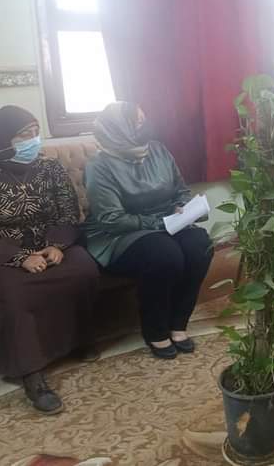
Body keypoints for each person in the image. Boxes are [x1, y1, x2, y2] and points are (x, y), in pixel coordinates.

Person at [83, 102, 213, 359]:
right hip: (120, 234)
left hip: (165, 222)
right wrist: (161, 223)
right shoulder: (99, 166)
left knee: (200, 244)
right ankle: (155, 330)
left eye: (144, 120)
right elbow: (112, 219)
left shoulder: (159, 150)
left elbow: (180, 190)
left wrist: (182, 207)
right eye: (138, 122)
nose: (145, 126)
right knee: (164, 254)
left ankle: (178, 323)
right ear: (120, 129)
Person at [0, 105, 100, 414]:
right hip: (7, 252)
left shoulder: (50, 167)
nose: (33, 140)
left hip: (51, 243)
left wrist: (57, 245)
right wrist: (20, 258)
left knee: (84, 270)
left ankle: (79, 341)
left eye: (35, 132)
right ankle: (32, 374)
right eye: (23, 135)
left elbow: (68, 211)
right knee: (14, 293)